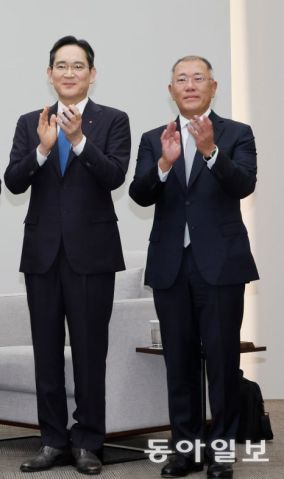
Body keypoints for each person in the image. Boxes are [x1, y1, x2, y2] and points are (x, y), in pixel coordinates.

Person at [4, 35, 131, 475]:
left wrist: (78, 141)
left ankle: (88, 443)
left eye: (78, 66)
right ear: (49, 73)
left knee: (90, 353)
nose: (69, 73)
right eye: (62, 65)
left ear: (92, 74)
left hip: (92, 255)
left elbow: (114, 176)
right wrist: (42, 148)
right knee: (46, 354)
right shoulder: (30, 122)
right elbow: (13, 181)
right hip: (42, 255)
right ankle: (53, 441)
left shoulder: (113, 120)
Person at [129, 56, 257, 479]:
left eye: (197, 78)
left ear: (212, 86)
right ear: (171, 91)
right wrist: (164, 164)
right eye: (181, 79)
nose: (189, 85)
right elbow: (140, 194)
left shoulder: (236, 133)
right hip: (170, 266)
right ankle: (185, 451)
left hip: (220, 266)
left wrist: (210, 152)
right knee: (179, 364)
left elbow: (243, 184)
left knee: (221, 362)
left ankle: (221, 453)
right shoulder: (154, 138)